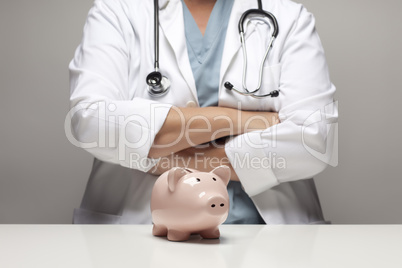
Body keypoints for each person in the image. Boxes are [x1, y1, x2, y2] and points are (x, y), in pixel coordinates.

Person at [68, 0, 337, 224]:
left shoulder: (289, 18)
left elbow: (313, 141)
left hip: (264, 234)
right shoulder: (117, 12)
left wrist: (160, 157)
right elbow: (93, 122)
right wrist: (239, 120)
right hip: (141, 228)